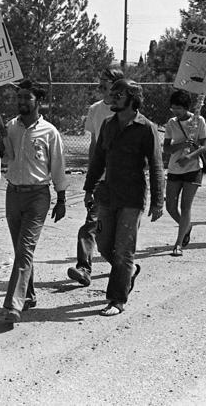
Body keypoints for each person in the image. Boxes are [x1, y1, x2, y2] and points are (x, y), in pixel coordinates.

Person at [83, 78, 163, 317]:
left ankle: (117, 299)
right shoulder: (107, 124)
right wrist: (89, 188)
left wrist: (159, 200)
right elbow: (98, 160)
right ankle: (128, 271)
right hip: (107, 194)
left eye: (119, 94)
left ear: (132, 99)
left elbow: (157, 166)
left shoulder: (146, 127)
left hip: (132, 197)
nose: (113, 97)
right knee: (104, 243)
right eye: (113, 93)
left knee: (123, 249)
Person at [1, 79, 67, 325]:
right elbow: (7, 157)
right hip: (13, 193)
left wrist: (61, 198)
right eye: (19, 97)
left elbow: (58, 166)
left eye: (27, 97)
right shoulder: (10, 127)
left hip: (38, 196)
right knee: (20, 249)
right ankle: (28, 295)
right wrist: (0, 140)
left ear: (38, 101)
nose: (21, 102)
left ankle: (13, 305)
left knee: (25, 249)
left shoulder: (49, 132)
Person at [67, 67, 123, 287]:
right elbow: (93, 145)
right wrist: (91, 177)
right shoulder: (95, 110)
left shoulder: (126, 111)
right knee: (90, 224)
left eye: (106, 83)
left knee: (115, 231)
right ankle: (84, 268)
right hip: (102, 179)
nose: (101, 87)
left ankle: (123, 268)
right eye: (101, 82)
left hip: (123, 179)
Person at [163, 90, 206, 257]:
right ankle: (187, 226)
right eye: (173, 108)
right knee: (170, 207)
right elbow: (166, 148)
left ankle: (178, 243)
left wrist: (189, 157)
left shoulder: (198, 120)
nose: (175, 112)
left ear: (186, 108)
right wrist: (181, 146)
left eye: (179, 108)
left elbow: (204, 145)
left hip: (193, 169)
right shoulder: (171, 123)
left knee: (185, 206)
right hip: (175, 168)